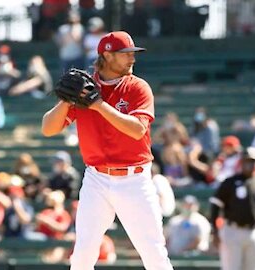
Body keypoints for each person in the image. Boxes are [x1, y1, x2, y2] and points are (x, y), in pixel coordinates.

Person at [41, 31, 173, 270]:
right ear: (107, 55)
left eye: (133, 53)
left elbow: (137, 130)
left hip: (134, 179)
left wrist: (98, 105)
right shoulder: (85, 89)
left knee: (154, 253)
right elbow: (48, 128)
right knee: (82, 254)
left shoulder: (137, 87)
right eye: (125, 54)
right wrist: (66, 100)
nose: (132, 58)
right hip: (96, 178)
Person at [210, 147, 255, 270]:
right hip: (232, 230)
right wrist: (215, 231)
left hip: (254, 232)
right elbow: (215, 205)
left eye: (252, 161)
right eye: (246, 161)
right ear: (241, 162)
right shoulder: (230, 182)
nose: (249, 164)